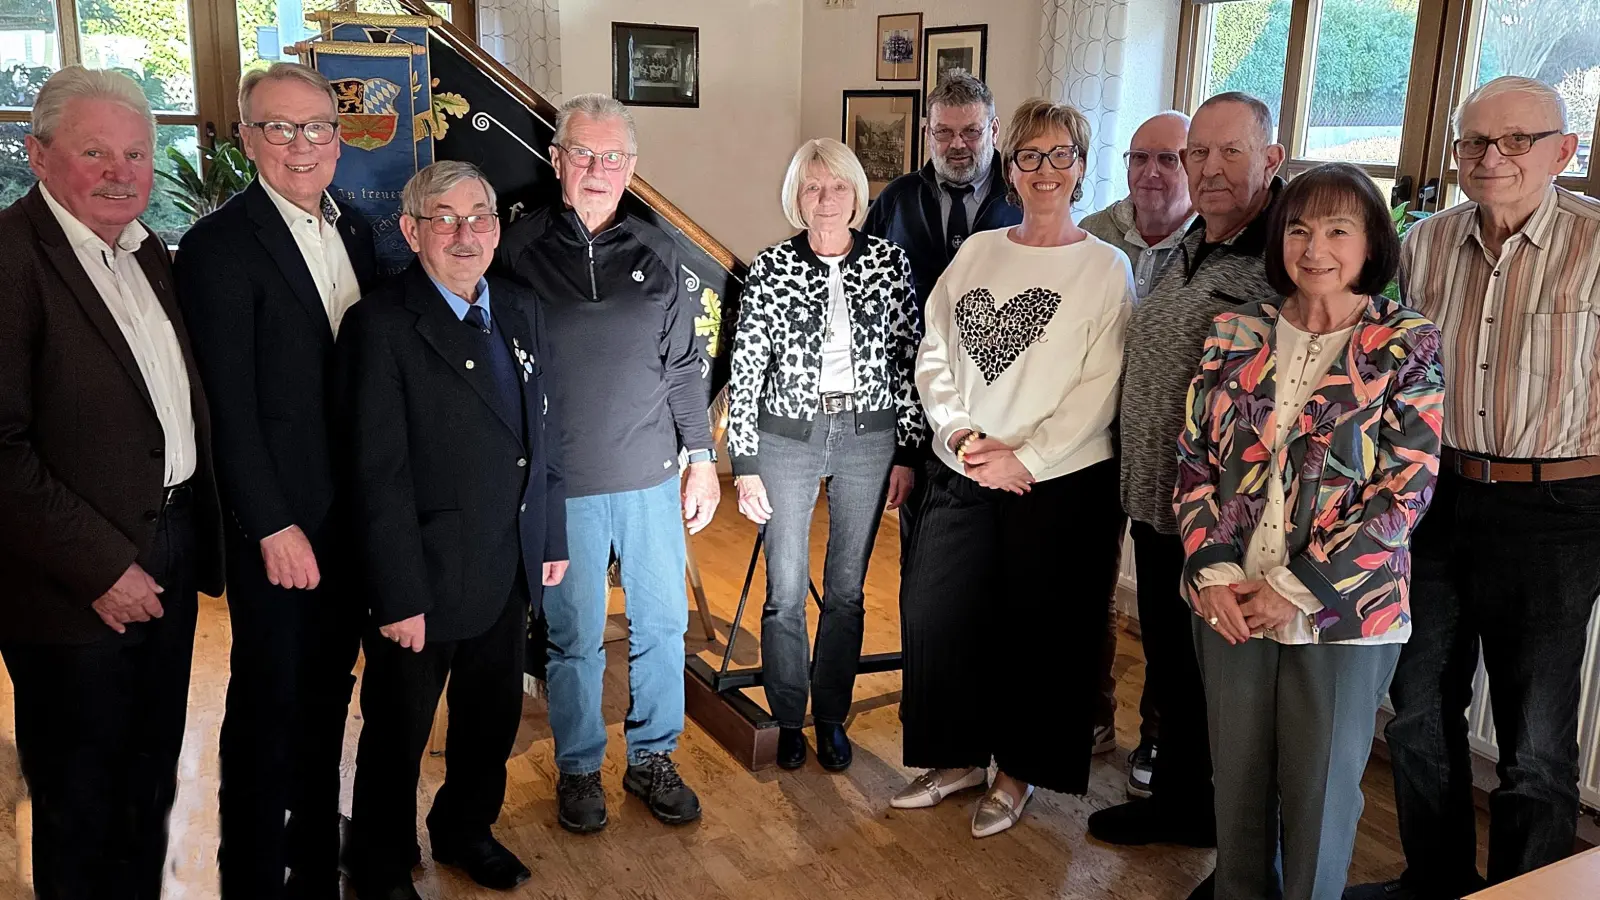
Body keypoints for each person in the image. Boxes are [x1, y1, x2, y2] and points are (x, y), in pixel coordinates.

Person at [1346, 75, 1600, 900]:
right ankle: (1437, 879)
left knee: (1535, 743)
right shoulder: (1424, 245)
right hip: (1436, 496)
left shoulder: (1596, 243)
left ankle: (1521, 893)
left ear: (1564, 150)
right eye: (1475, 142)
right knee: (1418, 709)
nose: (1493, 157)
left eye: (1517, 139)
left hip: (1558, 509)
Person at [1177, 163, 1444, 900]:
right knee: (1235, 787)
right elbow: (1193, 459)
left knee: (1320, 799)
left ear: (1370, 244)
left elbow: (1406, 489)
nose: (1314, 247)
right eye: (1298, 228)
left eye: (1337, 230)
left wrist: (1298, 588)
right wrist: (1214, 573)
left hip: (1344, 609)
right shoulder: (1235, 329)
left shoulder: (1405, 341)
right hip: (1229, 599)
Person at [0, 65, 224, 899]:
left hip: (168, 544)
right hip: (72, 583)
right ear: (38, 155)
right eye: (95, 151)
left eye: (136, 152)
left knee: (147, 778)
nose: (122, 171)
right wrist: (101, 567)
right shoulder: (10, 258)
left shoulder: (146, 251)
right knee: (81, 799)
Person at [890, 98, 1132, 839]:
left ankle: (1018, 772)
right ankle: (956, 757)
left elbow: (1100, 386)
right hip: (962, 466)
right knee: (938, 615)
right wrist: (962, 436)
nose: (1044, 169)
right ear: (1011, 167)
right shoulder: (978, 251)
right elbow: (934, 351)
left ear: (1081, 167)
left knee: (1039, 634)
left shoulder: (1105, 266)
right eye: (1030, 155)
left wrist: (1024, 456)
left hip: (1057, 483)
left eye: (1060, 155)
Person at [176, 62, 378, 897]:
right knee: (268, 701)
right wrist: (269, 524)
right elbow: (225, 408)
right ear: (248, 137)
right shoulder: (218, 247)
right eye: (280, 128)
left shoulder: (356, 230)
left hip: (353, 516)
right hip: (283, 528)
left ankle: (313, 850)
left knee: (330, 691)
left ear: (338, 137)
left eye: (316, 127)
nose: (302, 145)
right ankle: (253, 871)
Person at [338, 161, 566, 900]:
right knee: (398, 729)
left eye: (480, 217)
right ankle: (377, 856)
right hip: (423, 574)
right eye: (446, 218)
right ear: (412, 231)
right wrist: (397, 593)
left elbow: (543, 434)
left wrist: (551, 537)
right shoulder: (379, 325)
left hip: (506, 562)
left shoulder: (521, 308)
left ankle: (465, 828)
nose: (466, 234)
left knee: (489, 720)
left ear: (498, 229)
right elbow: (375, 474)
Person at [497, 93, 719, 834]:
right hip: (564, 487)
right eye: (583, 153)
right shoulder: (516, 251)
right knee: (574, 639)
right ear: (556, 159)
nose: (597, 168)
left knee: (662, 628)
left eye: (612, 156)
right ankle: (579, 767)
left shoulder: (659, 251)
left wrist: (702, 460)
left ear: (632, 166)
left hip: (651, 478)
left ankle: (653, 757)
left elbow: (683, 367)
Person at [1089, 91, 1286, 900]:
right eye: (1195, 153)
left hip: (1227, 522)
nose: (1207, 169)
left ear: (1271, 160)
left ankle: (1240, 855)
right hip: (1158, 505)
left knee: (1231, 695)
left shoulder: (1285, 257)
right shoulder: (1188, 245)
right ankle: (1178, 806)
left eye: (1227, 152)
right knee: (1174, 673)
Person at [726, 138, 924, 773]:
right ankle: (790, 717)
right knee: (784, 589)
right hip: (787, 437)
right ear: (797, 197)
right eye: (813, 187)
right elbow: (747, 367)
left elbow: (909, 361)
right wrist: (745, 464)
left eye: (838, 186)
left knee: (846, 589)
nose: (827, 199)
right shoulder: (771, 267)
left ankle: (832, 715)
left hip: (869, 437)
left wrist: (908, 451)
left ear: (856, 194)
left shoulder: (890, 263)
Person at [1079, 109, 1196, 791]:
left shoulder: (1211, 244)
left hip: (1168, 448)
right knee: (1085, 586)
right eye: (1139, 157)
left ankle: (1158, 734)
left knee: (1162, 599)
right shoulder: (1092, 233)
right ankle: (1090, 714)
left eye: (1169, 159)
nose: (1151, 173)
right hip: (1092, 438)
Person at [864, 74, 1023, 570]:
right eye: (944, 132)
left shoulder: (1023, 200)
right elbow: (867, 303)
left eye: (971, 132)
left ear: (994, 130)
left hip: (1000, 408)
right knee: (923, 556)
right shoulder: (896, 200)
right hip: (915, 404)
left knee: (999, 559)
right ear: (926, 133)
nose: (957, 145)